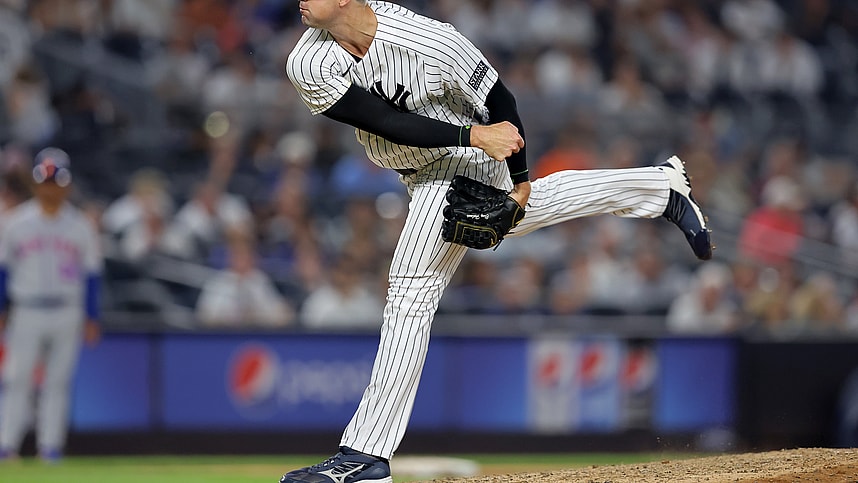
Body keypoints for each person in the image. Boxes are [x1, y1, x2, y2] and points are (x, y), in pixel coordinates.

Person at [279, 1, 712, 482]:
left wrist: (519, 178)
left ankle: (367, 454)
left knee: (410, 290)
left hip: (466, 161)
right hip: (439, 157)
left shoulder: (429, 40)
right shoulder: (308, 61)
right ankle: (658, 187)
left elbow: (501, 102)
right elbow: (385, 121)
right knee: (531, 210)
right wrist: (479, 143)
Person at [0, 147, 103, 462]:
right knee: (17, 379)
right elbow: (2, 270)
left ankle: (50, 448)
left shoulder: (80, 225)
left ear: (67, 186)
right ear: (35, 185)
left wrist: (92, 316)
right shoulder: (15, 222)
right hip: (27, 309)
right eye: (45, 182)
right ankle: (7, 446)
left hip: (67, 309)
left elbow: (92, 274)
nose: (50, 188)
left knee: (58, 382)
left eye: (56, 182)